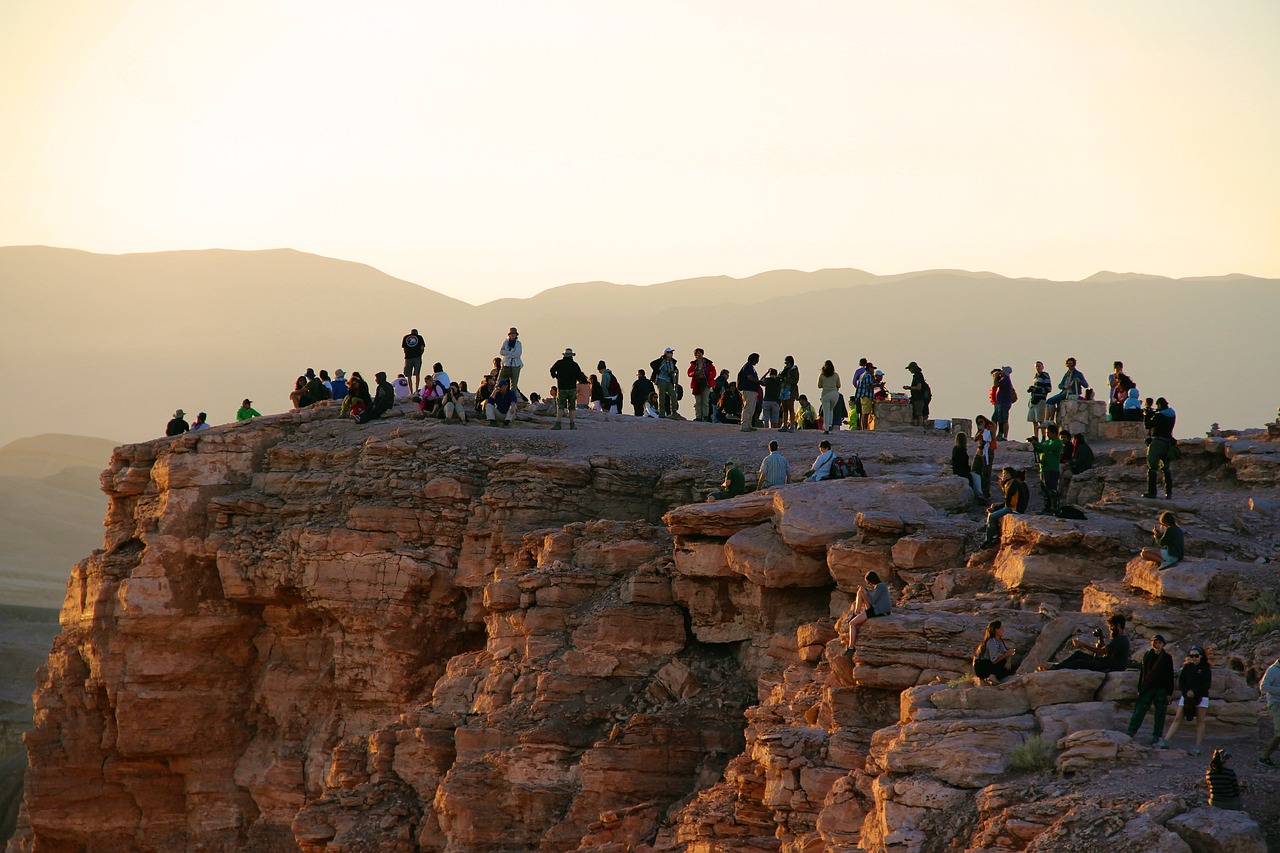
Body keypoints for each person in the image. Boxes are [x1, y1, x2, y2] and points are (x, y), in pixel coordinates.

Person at [1157, 646, 1212, 754]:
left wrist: (1195, 692)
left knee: (1200, 721)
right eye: (1192, 656)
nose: (1194, 658)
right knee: (1177, 718)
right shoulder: (1187, 668)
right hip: (1186, 696)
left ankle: (1197, 746)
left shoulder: (1205, 668)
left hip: (1201, 696)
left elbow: (1206, 685)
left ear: (1201, 656)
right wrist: (1187, 692)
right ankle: (1166, 740)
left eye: (1196, 655)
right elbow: (1182, 682)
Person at [1127, 634, 1175, 745]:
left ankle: (1157, 736)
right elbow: (1143, 673)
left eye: (1159, 643)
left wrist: (1169, 692)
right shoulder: (1147, 655)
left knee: (1160, 713)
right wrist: (1140, 688)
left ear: (1163, 644)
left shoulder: (1167, 658)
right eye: (1155, 642)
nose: (1157, 645)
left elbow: (1169, 676)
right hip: (1148, 687)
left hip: (1161, 689)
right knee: (1140, 710)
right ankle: (1131, 731)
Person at [1041, 613, 1131, 673]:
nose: (1110, 629)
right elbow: (1107, 650)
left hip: (1110, 666)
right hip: (1106, 662)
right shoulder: (1120, 639)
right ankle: (1058, 666)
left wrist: (1083, 645)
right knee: (1078, 654)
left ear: (1118, 625)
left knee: (1080, 663)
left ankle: (1054, 668)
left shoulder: (1120, 639)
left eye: (1111, 626)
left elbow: (1101, 652)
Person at [838, 571, 892, 652]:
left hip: (878, 611)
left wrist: (865, 591)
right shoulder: (881, 586)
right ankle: (856, 613)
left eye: (869, 582)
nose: (869, 584)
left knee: (852, 623)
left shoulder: (880, 586)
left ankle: (851, 647)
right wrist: (863, 591)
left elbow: (873, 600)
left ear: (872, 580)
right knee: (860, 592)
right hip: (879, 609)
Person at [982, 467, 1029, 548]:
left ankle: (989, 540)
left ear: (1009, 474)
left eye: (1004, 473)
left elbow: (1008, 502)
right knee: (993, 511)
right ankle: (993, 534)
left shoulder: (1012, 483)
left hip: (1015, 509)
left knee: (992, 516)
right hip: (1013, 507)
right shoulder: (1011, 483)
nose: (1002, 475)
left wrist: (1003, 486)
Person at [1143, 397, 1177, 499]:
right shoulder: (1172, 415)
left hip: (1157, 443)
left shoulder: (1159, 416)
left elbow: (1147, 425)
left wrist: (1147, 415)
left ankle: (1152, 492)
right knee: (1166, 468)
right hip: (1167, 443)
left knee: (1152, 467)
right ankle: (1168, 493)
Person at [1027, 424, 1064, 514]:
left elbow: (1047, 448)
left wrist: (1037, 443)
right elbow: (1041, 449)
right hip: (1044, 469)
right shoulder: (1047, 442)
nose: (1047, 435)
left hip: (1052, 469)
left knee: (1051, 489)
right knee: (1045, 490)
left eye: (1049, 433)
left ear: (1054, 433)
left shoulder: (1057, 442)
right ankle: (1047, 508)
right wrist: (1034, 444)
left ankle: (1054, 508)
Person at [550, 348, 589, 430]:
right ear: (572, 356)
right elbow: (579, 376)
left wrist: (556, 376)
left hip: (561, 387)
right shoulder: (575, 365)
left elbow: (552, 370)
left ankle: (558, 424)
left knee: (560, 406)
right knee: (571, 407)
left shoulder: (559, 363)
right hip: (572, 388)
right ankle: (572, 424)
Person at [1259, 657, 1280, 767]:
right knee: (1279, 732)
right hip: (1276, 703)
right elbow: (1263, 686)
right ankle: (1264, 757)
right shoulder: (1273, 670)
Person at [650, 347, 682, 419]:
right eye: (669, 353)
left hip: (668, 380)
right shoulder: (661, 361)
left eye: (671, 353)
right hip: (661, 379)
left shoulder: (672, 362)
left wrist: (675, 371)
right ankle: (661, 413)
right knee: (662, 397)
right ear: (666, 353)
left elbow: (674, 368)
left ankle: (674, 411)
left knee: (673, 395)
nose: (671, 354)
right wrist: (657, 371)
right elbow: (652, 364)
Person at [952, 432, 984, 501]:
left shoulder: (955, 448)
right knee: (975, 478)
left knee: (975, 477)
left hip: (957, 470)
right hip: (962, 472)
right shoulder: (962, 450)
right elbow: (964, 464)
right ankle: (978, 495)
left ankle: (978, 495)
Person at [687, 349, 717, 422]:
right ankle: (698, 416)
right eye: (697, 353)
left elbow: (713, 371)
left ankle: (705, 416)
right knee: (698, 401)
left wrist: (710, 377)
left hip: (706, 383)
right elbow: (689, 373)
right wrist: (695, 373)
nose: (699, 354)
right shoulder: (694, 364)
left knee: (705, 400)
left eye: (700, 353)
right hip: (697, 383)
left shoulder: (708, 363)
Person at [1027, 361, 1052, 441]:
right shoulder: (1036, 376)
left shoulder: (1045, 375)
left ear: (1043, 367)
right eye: (1036, 366)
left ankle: (1043, 436)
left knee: (1040, 420)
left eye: (1039, 366)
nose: (1038, 367)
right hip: (1033, 399)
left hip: (1041, 399)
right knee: (1033, 420)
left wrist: (1037, 389)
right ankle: (1036, 437)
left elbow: (1048, 389)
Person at [974, 415, 998, 500]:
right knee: (976, 470)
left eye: (981, 421)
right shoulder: (980, 429)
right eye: (978, 422)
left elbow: (993, 437)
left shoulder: (991, 426)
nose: (980, 423)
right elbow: (975, 439)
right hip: (980, 451)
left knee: (986, 471)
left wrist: (985, 429)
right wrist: (980, 431)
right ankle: (978, 490)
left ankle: (986, 492)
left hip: (988, 450)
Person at [738, 353, 762, 433]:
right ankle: (744, 425)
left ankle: (749, 424)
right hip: (748, 389)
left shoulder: (750, 367)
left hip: (752, 390)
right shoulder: (748, 367)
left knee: (752, 408)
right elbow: (750, 377)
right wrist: (758, 381)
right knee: (748, 407)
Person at [818, 360, 842, 434]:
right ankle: (830, 424)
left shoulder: (822, 375)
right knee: (831, 409)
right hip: (834, 394)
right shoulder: (836, 375)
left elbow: (819, 385)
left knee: (826, 412)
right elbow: (839, 385)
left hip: (825, 394)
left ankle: (826, 429)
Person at [991, 367, 1015, 441]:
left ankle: (1004, 436)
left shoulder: (1005, 379)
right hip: (1000, 402)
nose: (1000, 371)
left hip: (1004, 402)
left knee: (1004, 420)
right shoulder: (1004, 379)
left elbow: (995, 385)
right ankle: (995, 434)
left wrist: (995, 377)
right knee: (995, 418)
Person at [904, 361, 930, 427]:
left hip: (919, 398)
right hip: (915, 398)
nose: (909, 370)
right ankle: (917, 427)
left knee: (919, 414)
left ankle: (920, 427)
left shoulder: (918, 375)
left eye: (910, 369)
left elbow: (919, 387)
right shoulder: (917, 375)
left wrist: (909, 387)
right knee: (916, 414)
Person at [852, 361, 876, 430]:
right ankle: (865, 428)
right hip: (866, 396)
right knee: (866, 413)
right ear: (869, 368)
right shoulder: (867, 375)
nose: (873, 370)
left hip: (862, 396)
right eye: (872, 368)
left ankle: (863, 427)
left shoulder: (863, 375)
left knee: (863, 413)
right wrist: (877, 385)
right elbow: (868, 386)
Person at [499, 328, 523, 395]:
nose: (512, 335)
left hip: (515, 364)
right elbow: (501, 352)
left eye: (514, 334)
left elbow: (517, 354)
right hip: (506, 364)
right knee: (500, 381)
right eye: (511, 334)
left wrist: (508, 354)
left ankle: (513, 398)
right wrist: (511, 353)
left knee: (514, 384)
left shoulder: (518, 343)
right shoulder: (505, 342)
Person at [778, 356, 799, 432]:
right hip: (784, 390)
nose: (786, 364)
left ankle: (792, 425)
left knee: (791, 408)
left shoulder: (794, 370)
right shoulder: (785, 369)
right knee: (784, 408)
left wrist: (786, 380)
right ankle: (785, 425)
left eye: (787, 363)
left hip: (790, 390)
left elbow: (795, 380)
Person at [402, 329, 425, 394]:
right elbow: (422, 348)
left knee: (409, 375)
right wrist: (420, 354)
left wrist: (407, 354)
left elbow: (404, 348)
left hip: (408, 358)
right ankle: (416, 390)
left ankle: (411, 391)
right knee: (417, 374)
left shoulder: (406, 337)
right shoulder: (419, 337)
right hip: (417, 357)